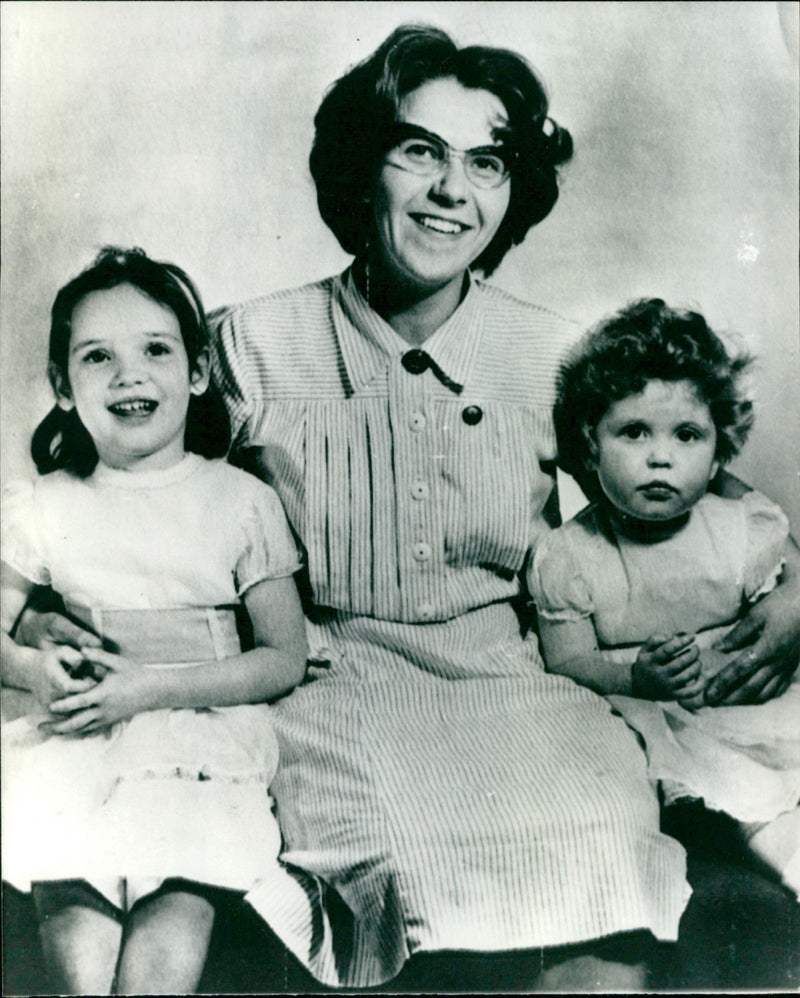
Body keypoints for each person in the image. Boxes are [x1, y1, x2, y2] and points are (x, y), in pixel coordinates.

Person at [11, 24, 800, 992]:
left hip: (523, 688)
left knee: (602, 852)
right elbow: (131, 493)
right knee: (394, 862)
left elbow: (699, 489)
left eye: (485, 162)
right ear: (361, 167)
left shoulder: (556, 356)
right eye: (418, 151)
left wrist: (793, 596)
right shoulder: (250, 345)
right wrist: (38, 605)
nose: (450, 191)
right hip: (332, 688)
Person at [0, 247, 308, 996]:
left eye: (155, 351)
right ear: (63, 388)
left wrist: (147, 690)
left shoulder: (239, 501)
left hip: (196, 733)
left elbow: (283, 657)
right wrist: (31, 668)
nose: (128, 375)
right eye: (97, 356)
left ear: (196, 373)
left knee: (176, 904)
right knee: (70, 896)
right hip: (79, 734)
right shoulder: (44, 505)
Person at [528, 298, 800, 898]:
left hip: (747, 702)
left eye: (687, 435)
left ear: (717, 453)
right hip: (654, 715)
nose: (660, 455)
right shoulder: (570, 555)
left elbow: (779, 617)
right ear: (590, 444)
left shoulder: (741, 527)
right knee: (735, 807)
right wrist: (636, 678)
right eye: (632, 431)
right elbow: (566, 661)